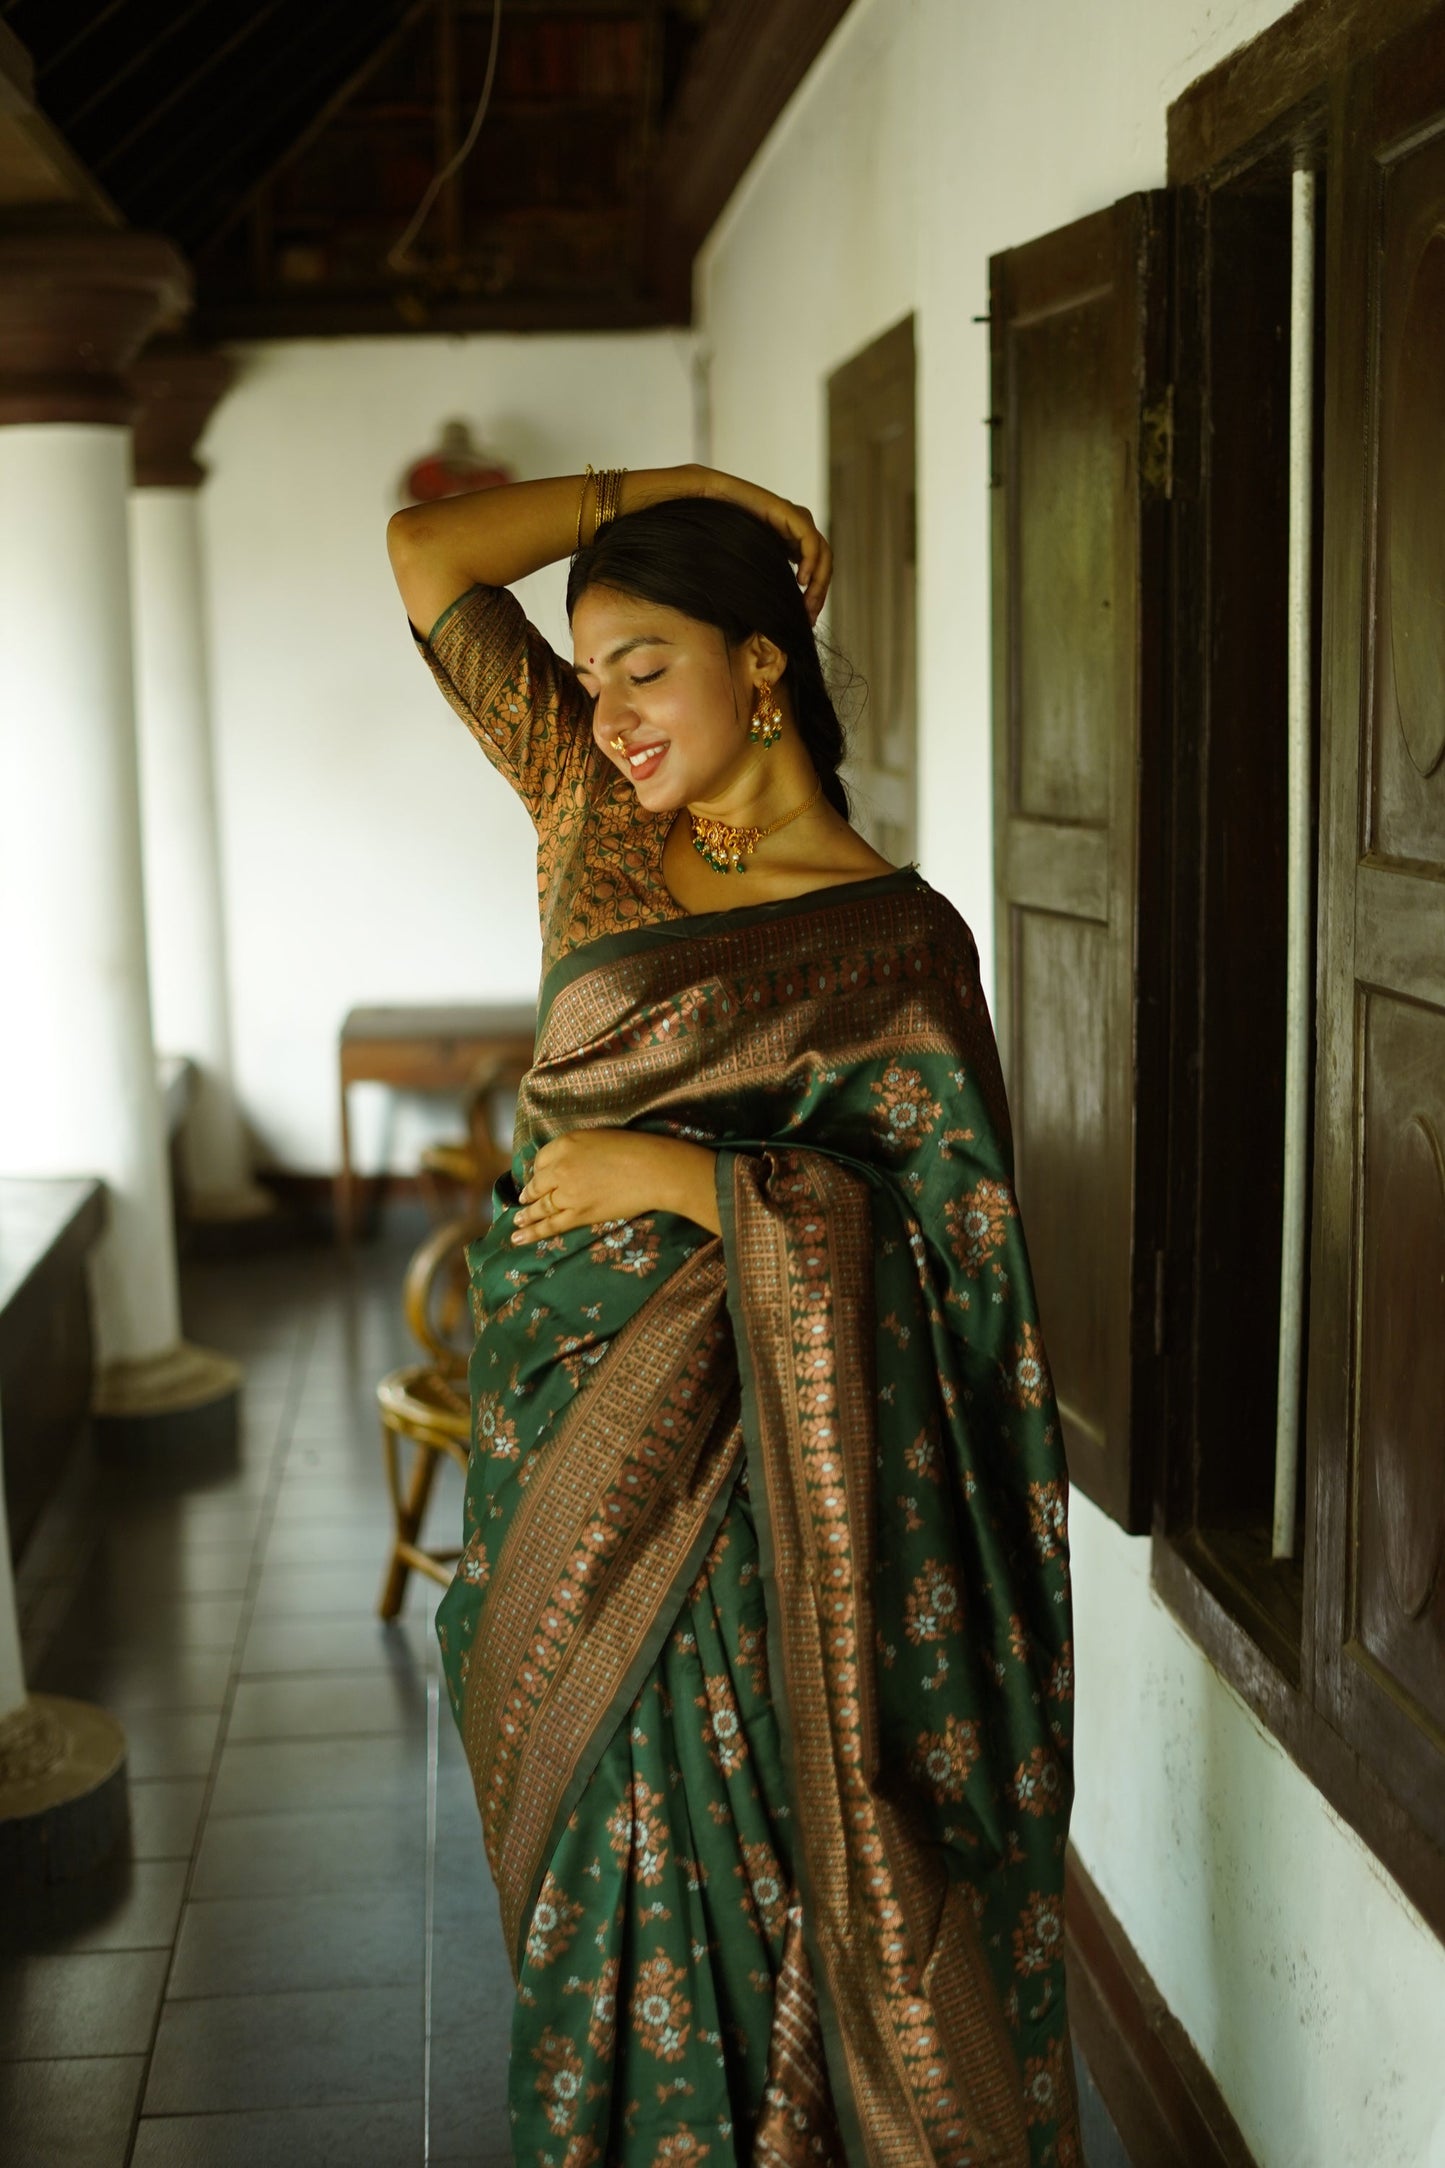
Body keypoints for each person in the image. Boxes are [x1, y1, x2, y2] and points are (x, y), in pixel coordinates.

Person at [387, 463, 1082, 2168]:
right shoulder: (591, 819)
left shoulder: (902, 950)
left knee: (761, 1895)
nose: (609, 711)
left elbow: (960, 1272)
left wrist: (689, 1182)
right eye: (591, 667)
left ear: (762, 664)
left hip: (778, 1518)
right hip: (566, 1469)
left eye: (647, 662)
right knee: (598, 1898)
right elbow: (423, 553)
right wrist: (671, 486)